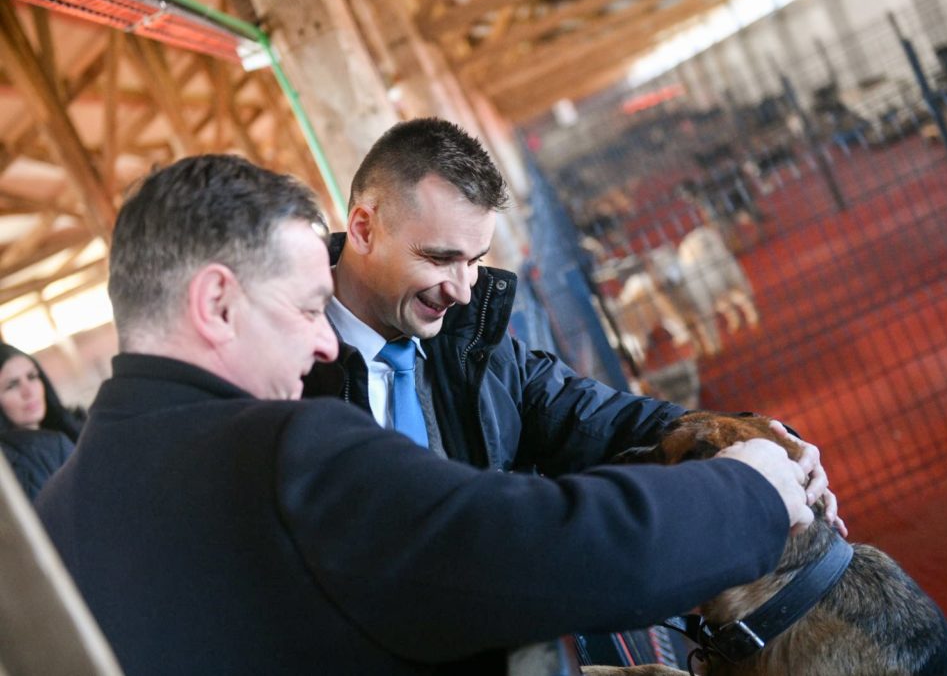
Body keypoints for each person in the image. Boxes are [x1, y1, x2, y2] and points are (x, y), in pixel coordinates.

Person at [36, 154, 817, 675]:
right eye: (306, 308)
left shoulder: (53, 520)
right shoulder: (276, 450)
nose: (321, 339)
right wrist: (746, 491)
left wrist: (733, 433)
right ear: (216, 302)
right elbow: (524, 551)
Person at [303, 117, 842, 526]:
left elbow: (597, 417)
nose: (463, 290)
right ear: (364, 229)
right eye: (440, 259)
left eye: (474, 261)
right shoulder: (289, 377)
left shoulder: (475, 342)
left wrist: (750, 439)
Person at [0, 344, 80, 499]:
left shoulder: (81, 428)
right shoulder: (9, 471)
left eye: (32, 377)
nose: (29, 391)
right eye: (12, 385)